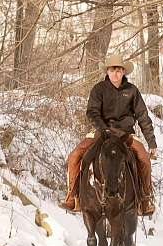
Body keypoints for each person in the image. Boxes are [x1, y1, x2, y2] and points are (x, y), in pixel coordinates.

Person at [59, 54, 157, 215]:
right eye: (112, 70)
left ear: (124, 72)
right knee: (74, 156)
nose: (116, 74)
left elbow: (143, 116)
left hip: (125, 134)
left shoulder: (132, 91)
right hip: (101, 131)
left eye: (119, 70)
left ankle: (145, 200)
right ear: (107, 71)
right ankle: (72, 197)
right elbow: (92, 112)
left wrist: (151, 142)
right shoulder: (99, 89)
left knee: (144, 160)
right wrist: (103, 128)